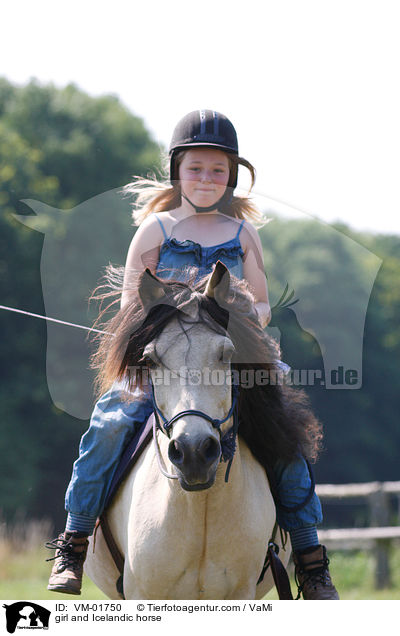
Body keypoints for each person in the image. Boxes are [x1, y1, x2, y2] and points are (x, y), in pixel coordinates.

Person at [46, 110, 339, 600]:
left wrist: (248, 313)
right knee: (111, 421)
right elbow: (130, 305)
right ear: (177, 172)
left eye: (218, 170)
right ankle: (74, 540)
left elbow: (263, 302)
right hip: (165, 361)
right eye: (196, 168)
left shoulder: (243, 234)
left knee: (284, 433)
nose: (206, 179)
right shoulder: (155, 230)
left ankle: (310, 557)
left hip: (228, 360)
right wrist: (174, 310)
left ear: (232, 177)